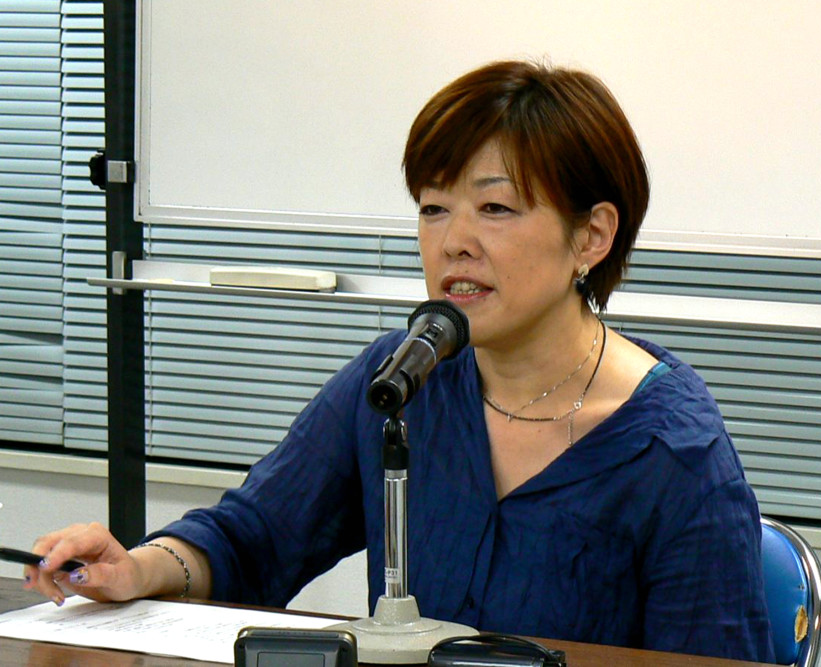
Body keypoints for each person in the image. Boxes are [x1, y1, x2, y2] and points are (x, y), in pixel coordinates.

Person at [26, 60, 775, 662]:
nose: (454, 242)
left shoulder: (673, 450)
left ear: (591, 237)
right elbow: (256, 536)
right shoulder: (403, 377)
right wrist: (139, 567)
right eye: (433, 207)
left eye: (495, 208)